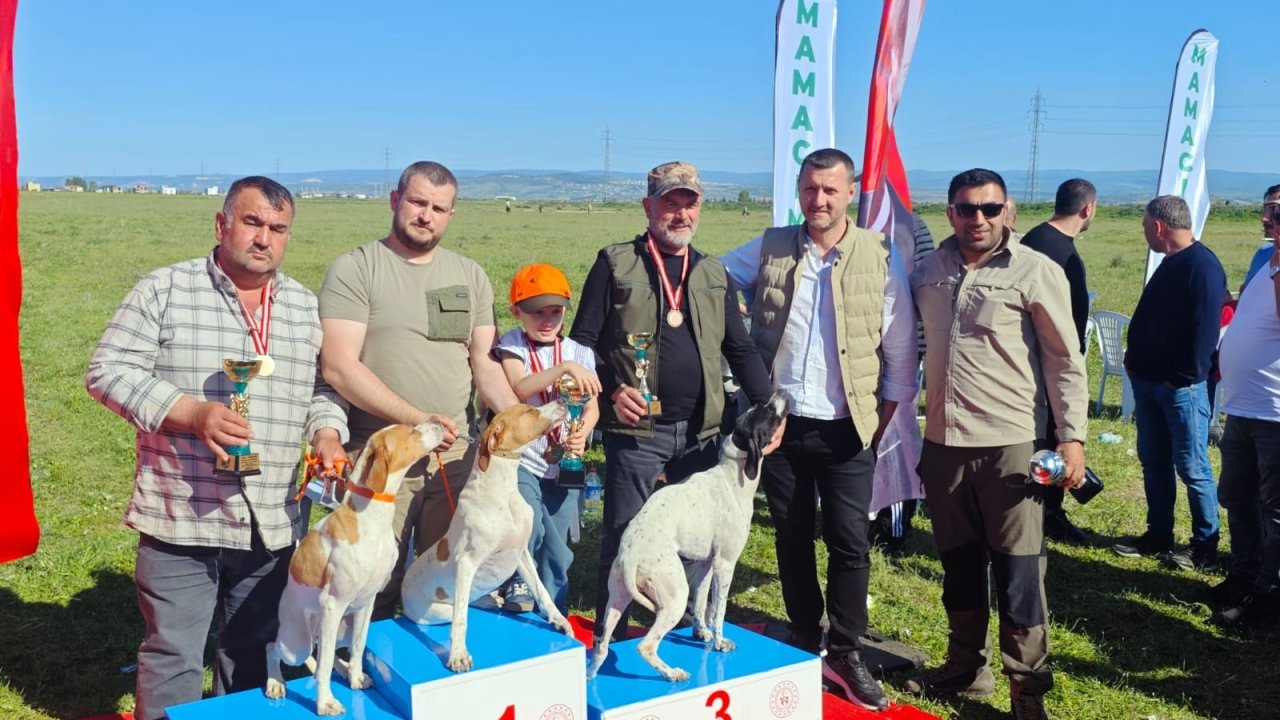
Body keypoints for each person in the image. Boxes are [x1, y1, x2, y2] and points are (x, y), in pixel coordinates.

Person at [85, 177, 349, 720]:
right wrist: (192, 413)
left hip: (273, 517)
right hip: (183, 512)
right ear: (222, 223)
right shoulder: (166, 290)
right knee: (174, 654)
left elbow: (322, 390)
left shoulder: (302, 306)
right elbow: (106, 370)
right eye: (252, 222)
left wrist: (326, 432)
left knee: (253, 650)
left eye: (278, 229)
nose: (264, 238)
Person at [722, 148, 916, 712]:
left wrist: (882, 420)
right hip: (781, 422)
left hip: (846, 424)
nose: (819, 200)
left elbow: (900, 347)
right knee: (790, 532)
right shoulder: (770, 245)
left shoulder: (881, 255)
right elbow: (710, 279)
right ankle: (805, 635)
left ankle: (847, 650)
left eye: (830, 190)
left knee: (850, 542)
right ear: (799, 191)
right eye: (810, 189)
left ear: (850, 192)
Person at [569, 161, 776, 644]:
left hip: (703, 432)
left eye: (690, 204)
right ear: (648, 207)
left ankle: (681, 627)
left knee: (693, 545)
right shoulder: (615, 262)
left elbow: (740, 349)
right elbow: (581, 345)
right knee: (624, 540)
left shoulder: (711, 272)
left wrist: (768, 406)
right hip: (638, 431)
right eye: (670, 203)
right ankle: (611, 638)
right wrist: (612, 387)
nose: (681, 214)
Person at [907, 169, 1088, 720]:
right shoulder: (926, 272)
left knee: (1019, 574)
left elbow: (1064, 361)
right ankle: (967, 665)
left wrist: (1072, 440)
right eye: (966, 208)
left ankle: (1027, 689)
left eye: (989, 208)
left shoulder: (1037, 271)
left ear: (1007, 210)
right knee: (958, 565)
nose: (977, 218)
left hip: (1012, 447)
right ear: (950, 212)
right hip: (943, 444)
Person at [318, 161, 518, 618]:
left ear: (451, 215)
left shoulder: (470, 275)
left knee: (446, 585)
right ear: (395, 199)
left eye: (439, 208)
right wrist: (416, 423)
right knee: (368, 585)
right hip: (383, 460)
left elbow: (485, 365)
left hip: (456, 462)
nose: (426, 215)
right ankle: (354, 674)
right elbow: (339, 366)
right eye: (418, 202)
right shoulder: (356, 269)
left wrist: (517, 421)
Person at [1113, 195, 1227, 571]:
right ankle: (1158, 533)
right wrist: (1134, 362)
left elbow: (1206, 331)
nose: (1144, 232)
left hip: (1180, 388)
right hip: (1148, 383)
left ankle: (1204, 545)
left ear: (1159, 226)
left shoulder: (1202, 266)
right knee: (1154, 460)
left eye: (1146, 226)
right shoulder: (1170, 263)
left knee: (1192, 466)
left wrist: (1183, 377)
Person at [493, 263, 601, 613]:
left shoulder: (580, 353)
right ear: (516, 312)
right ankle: (517, 581)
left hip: (566, 463)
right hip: (524, 458)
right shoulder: (513, 345)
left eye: (555, 312)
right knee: (529, 525)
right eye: (537, 312)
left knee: (558, 543)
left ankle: (553, 604)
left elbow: (592, 406)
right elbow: (521, 386)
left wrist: (582, 433)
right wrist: (565, 370)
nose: (547, 320)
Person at [1212, 194, 1280, 628]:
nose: (1265, 218)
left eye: (1276, 213)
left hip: (1274, 412)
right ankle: (1243, 575)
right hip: (1243, 407)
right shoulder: (1267, 263)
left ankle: (1268, 599)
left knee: (1275, 510)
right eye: (1270, 210)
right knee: (1238, 496)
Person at [1019, 178, 1097, 545]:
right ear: (1088, 209)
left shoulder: (1034, 239)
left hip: (1039, 360)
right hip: (1047, 363)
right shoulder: (1058, 251)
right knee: (1051, 437)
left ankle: (1048, 509)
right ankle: (1047, 512)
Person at [868, 210, 935, 553]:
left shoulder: (907, 225)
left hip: (901, 349)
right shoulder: (861, 219)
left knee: (896, 437)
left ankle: (895, 521)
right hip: (864, 355)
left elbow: (918, 283)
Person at [1241, 184, 1280, 290]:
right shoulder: (1264, 253)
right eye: (1265, 210)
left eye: (1273, 210)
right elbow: (1246, 290)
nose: (1264, 218)